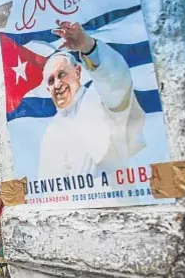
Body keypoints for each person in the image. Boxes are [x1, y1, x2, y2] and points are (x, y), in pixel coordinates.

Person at [37, 20, 146, 179]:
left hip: (114, 201)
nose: (58, 84)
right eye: (51, 81)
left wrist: (88, 47)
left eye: (62, 74)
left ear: (78, 72)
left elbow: (116, 82)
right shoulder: (51, 131)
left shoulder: (98, 97)